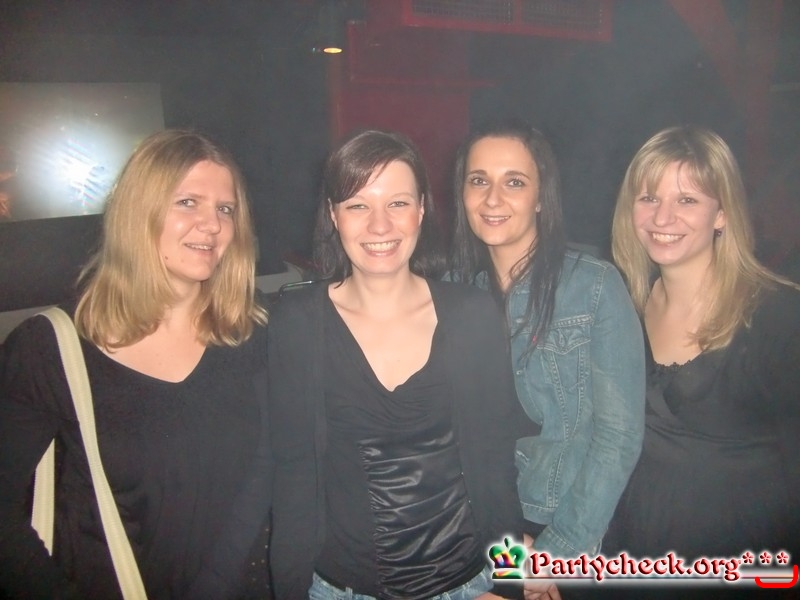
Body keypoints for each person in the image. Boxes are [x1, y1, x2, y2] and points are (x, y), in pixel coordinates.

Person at [0, 130, 271, 599]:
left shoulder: (251, 335)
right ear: (137, 212)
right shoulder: (50, 349)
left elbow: (268, 478)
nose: (212, 224)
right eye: (188, 202)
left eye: (225, 209)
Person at [268, 129, 536, 600]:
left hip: (468, 586)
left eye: (397, 203)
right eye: (358, 205)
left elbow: (496, 467)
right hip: (342, 590)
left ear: (422, 209)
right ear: (333, 214)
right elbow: (293, 478)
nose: (380, 225)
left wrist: (511, 582)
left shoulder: (472, 315)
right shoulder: (296, 323)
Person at [449, 119, 646, 596]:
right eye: (479, 180)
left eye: (514, 182)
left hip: (564, 526)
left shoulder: (594, 287)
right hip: (477, 530)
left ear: (541, 196)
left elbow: (618, 437)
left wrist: (555, 554)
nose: (493, 198)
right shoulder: (451, 293)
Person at [604, 126, 800, 592]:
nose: (663, 216)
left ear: (722, 213)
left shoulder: (778, 317)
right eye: (649, 197)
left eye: (687, 200)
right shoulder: (618, 308)